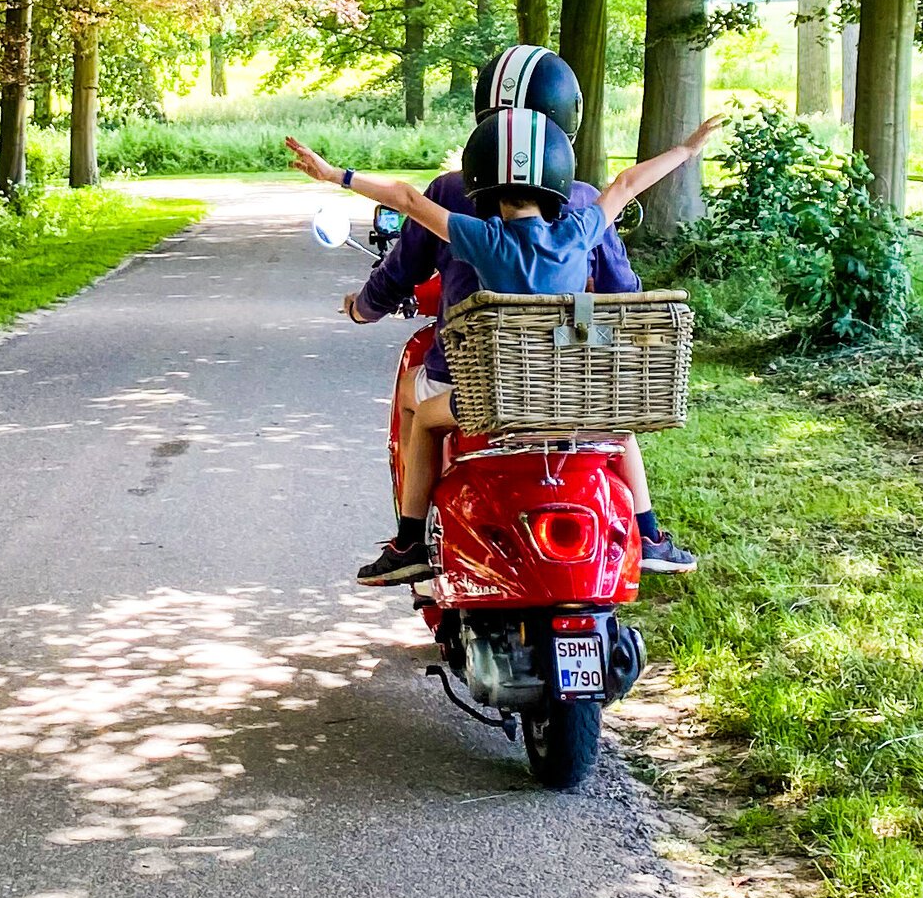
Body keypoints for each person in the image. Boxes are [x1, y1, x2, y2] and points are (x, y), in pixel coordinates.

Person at [288, 92, 722, 585]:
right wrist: (686, 150)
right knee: (617, 428)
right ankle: (649, 537)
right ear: (558, 185)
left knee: (423, 416)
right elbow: (626, 182)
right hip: (569, 396)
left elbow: (407, 199)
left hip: (499, 401)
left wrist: (334, 174)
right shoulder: (579, 229)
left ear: (483, 189)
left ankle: (409, 540)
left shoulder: (482, 238)